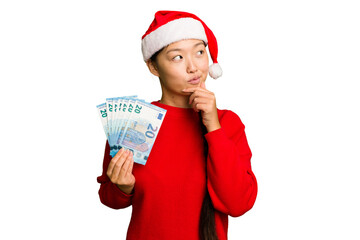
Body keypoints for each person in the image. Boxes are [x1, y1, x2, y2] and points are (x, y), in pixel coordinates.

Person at [97, 10, 258, 240]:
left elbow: (239, 203)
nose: (193, 67)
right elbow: (109, 197)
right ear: (153, 67)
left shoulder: (227, 123)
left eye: (200, 52)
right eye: (177, 57)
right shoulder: (134, 122)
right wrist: (123, 188)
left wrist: (213, 127)